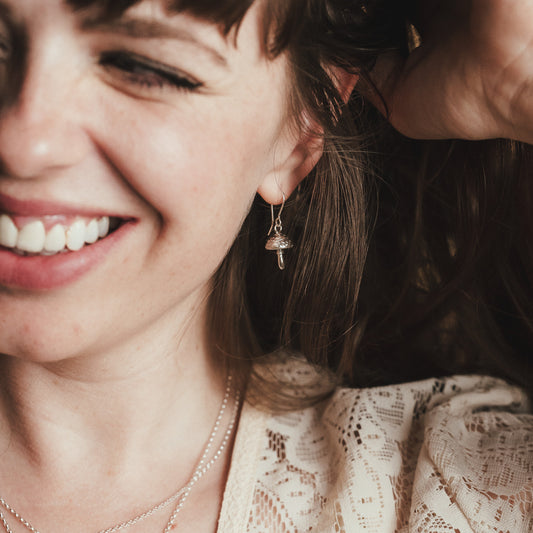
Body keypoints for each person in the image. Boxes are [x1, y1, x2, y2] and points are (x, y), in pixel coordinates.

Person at [0, 0, 530, 532]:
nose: (21, 145)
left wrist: (520, 84)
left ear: (299, 134)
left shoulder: (461, 491)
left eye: (146, 68)